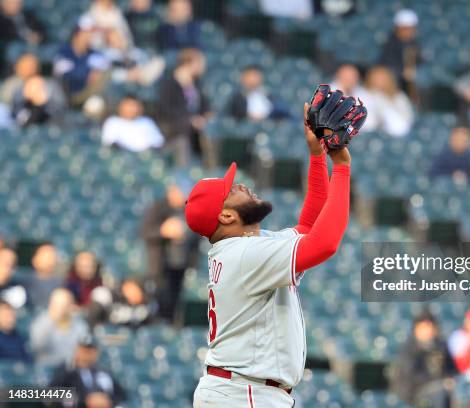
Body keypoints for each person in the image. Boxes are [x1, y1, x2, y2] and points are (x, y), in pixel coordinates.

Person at [189, 103, 352, 407]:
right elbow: (324, 243)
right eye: (231, 189)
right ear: (225, 216)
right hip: (242, 393)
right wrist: (341, 166)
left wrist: (317, 157)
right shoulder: (244, 254)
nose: (239, 184)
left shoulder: (245, 247)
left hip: (242, 391)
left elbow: (308, 227)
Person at [140, 177, 199, 321]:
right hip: (158, 269)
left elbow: (196, 238)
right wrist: (163, 231)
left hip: (179, 268)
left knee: (173, 309)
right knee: (157, 307)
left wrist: (184, 235)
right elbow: (144, 232)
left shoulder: (189, 211)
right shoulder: (158, 208)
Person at [156, 48, 210, 166]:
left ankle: (209, 169)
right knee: (183, 134)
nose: (202, 66)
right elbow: (165, 109)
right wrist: (190, 119)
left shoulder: (196, 83)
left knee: (210, 130)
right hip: (173, 125)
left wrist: (205, 116)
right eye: (198, 62)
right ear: (187, 63)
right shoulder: (169, 82)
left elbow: (204, 104)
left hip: (194, 125)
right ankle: (184, 172)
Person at [391, 311, 454, 407]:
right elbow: (412, 376)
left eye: (430, 326)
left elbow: (451, 369)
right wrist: (439, 382)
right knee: (439, 393)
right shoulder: (409, 349)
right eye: (424, 327)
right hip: (413, 394)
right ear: (416, 329)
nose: (428, 330)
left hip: (439, 389)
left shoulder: (441, 346)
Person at [50, 335, 126, 406]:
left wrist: (107, 400)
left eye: (91, 351)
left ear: (97, 353)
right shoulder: (66, 370)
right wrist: (85, 400)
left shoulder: (103, 372)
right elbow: (49, 395)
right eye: (84, 350)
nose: (87, 354)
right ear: (77, 350)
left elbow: (122, 395)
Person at [53, 18, 110, 106]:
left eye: (91, 33)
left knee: (97, 101)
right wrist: (88, 72)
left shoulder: (94, 53)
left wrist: (95, 72)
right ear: (77, 34)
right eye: (86, 33)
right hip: (68, 95)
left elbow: (105, 68)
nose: (89, 36)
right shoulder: (64, 52)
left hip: (88, 94)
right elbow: (65, 76)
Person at [29, 288, 89, 366]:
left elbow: (85, 345)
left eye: (66, 305)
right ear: (51, 304)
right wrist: (53, 320)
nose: (62, 309)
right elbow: (36, 347)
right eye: (59, 305)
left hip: (73, 369)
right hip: (49, 368)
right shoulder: (41, 322)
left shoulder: (79, 324)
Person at [363, 65, 414, 137]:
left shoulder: (399, 96)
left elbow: (403, 125)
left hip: (395, 136)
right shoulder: (364, 94)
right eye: (377, 78)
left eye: (383, 78)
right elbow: (368, 125)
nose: (380, 81)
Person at [224, 65, 289, 121]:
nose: (253, 79)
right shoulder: (237, 98)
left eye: (255, 76)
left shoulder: (269, 96)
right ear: (243, 79)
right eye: (250, 76)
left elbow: (281, 112)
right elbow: (233, 115)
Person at [379, 9, 420, 97]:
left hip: (407, 88)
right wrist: (403, 72)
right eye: (405, 28)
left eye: (410, 28)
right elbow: (386, 66)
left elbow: (419, 61)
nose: (408, 31)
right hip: (393, 86)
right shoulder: (390, 44)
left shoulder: (414, 44)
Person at [87, 278, 157, 328]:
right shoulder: (106, 294)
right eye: (134, 289)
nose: (138, 294)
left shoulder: (144, 308)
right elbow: (92, 318)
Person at [23, 243, 62, 311]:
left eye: (52, 256)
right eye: (45, 256)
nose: (49, 260)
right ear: (35, 259)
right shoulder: (23, 281)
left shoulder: (62, 284)